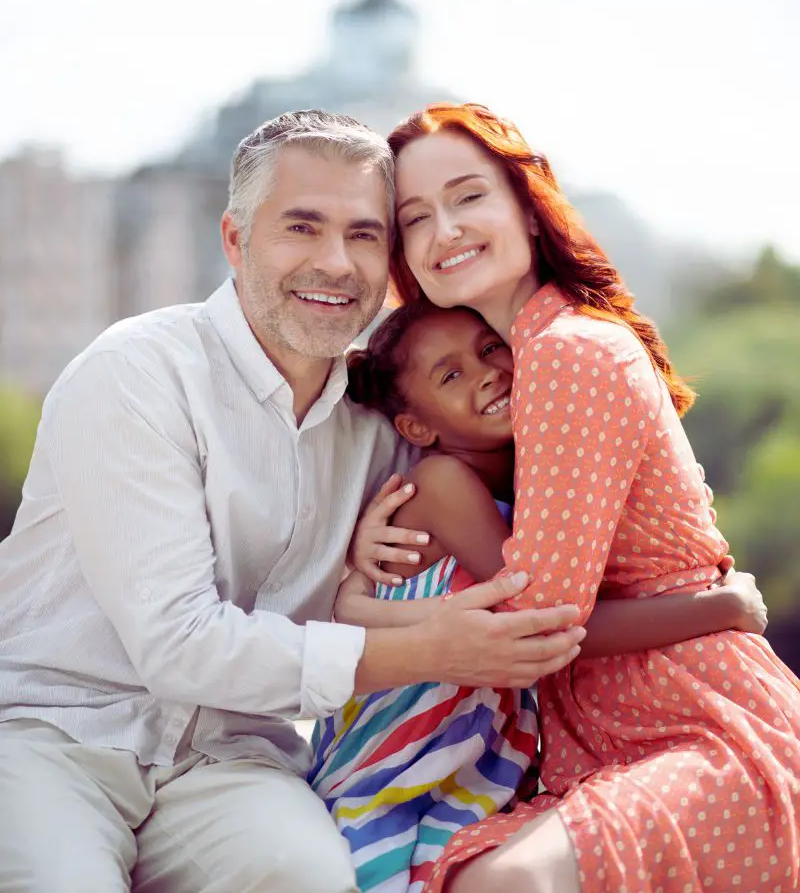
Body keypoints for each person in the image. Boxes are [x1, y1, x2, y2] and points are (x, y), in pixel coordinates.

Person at [0, 110, 586, 893]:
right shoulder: (137, 375)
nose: (335, 263)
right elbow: (178, 645)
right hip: (57, 735)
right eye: (302, 228)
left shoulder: (387, 426)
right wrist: (425, 646)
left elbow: (517, 488)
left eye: (365, 235)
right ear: (236, 241)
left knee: (314, 878)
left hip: (231, 760)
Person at [377, 102, 800, 893]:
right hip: (611, 729)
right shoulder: (523, 367)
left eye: (468, 197)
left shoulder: (568, 352)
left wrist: (351, 616)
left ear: (527, 210)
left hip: (696, 718)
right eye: (414, 218)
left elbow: (538, 627)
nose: (445, 229)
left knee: (504, 883)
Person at [310, 299, 768, 893]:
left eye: (488, 348)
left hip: (479, 750)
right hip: (402, 749)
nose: (486, 373)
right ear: (418, 427)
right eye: (451, 375)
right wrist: (720, 609)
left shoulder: (533, 473)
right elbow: (543, 627)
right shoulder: (443, 480)